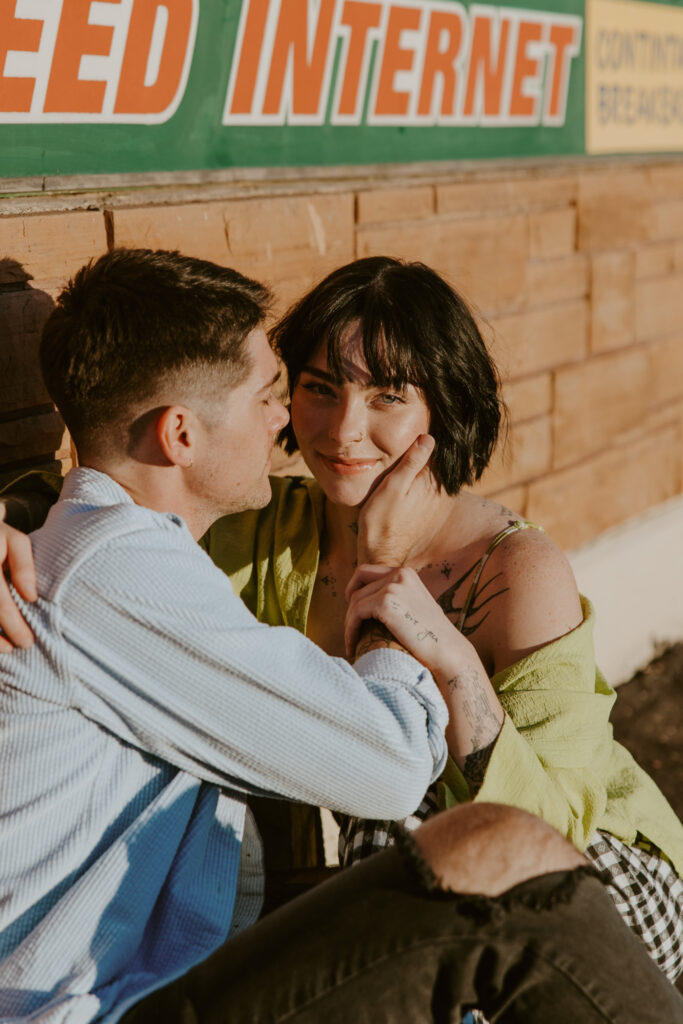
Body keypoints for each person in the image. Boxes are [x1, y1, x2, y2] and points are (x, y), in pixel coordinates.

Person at [0, 249, 682, 1024]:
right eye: (303, 389)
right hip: (117, 985)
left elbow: (557, 833)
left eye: (387, 395)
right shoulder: (236, 535)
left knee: (494, 860)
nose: (316, 423)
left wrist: (456, 672)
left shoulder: (515, 568)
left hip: (595, 873)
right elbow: (108, 508)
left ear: (441, 408)